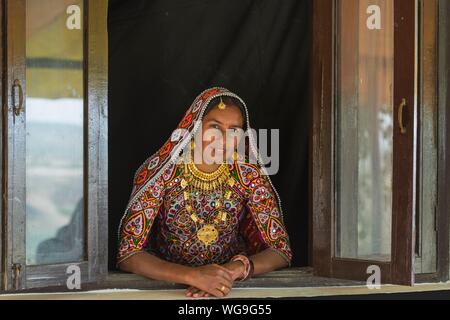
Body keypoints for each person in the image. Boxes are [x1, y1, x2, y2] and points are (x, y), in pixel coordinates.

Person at [116, 87, 292, 298]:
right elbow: (128, 254)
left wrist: (229, 272)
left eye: (234, 130)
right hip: (166, 288)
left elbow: (281, 250)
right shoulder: (162, 171)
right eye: (214, 127)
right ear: (194, 127)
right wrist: (193, 276)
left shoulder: (249, 174)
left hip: (229, 289)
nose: (223, 139)